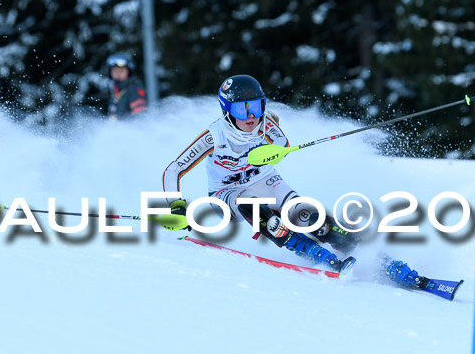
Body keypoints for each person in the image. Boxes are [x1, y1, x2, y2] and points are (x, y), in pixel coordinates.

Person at [161, 74, 359, 274]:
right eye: (241, 109)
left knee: (308, 215)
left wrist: (270, 152)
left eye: (256, 107)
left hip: (265, 180)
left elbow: (283, 144)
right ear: (227, 110)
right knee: (256, 208)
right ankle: (312, 252)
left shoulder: (265, 124)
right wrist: (176, 206)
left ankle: (356, 245)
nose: (251, 116)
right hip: (226, 193)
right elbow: (174, 169)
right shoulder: (213, 137)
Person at [106, 53, 147, 119]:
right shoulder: (112, 88)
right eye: (114, 71)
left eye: (121, 71)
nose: (118, 74)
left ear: (129, 72)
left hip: (130, 127)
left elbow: (140, 113)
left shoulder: (135, 89)